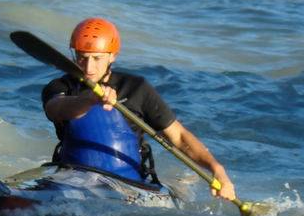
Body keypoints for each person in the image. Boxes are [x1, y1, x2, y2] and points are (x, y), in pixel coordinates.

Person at [42, 17, 237, 202]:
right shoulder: (61, 87)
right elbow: (56, 109)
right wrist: (89, 100)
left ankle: (181, 185)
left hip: (128, 181)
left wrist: (216, 169)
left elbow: (179, 137)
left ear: (112, 56)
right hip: (73, 175)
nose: (88, 67)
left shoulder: (136, 88)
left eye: (97, 58)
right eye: (82, 58)